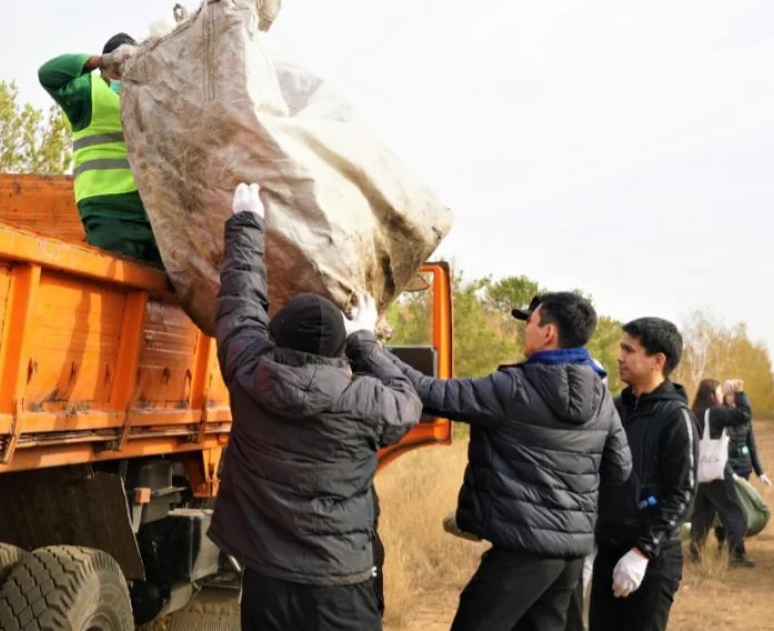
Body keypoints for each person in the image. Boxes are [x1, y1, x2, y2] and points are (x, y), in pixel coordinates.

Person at [207, 183, 423, 631]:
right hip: (341, 586)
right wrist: (364, 341)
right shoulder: (367, 401)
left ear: (276, 335)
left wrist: (247, 222)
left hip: (268, 581)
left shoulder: (251, 373)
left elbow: (239, 306)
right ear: (338, 350)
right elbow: (408, 398)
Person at [388, 293, 632, 631]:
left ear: (548, 333)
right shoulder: (601, 395)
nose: (524, 330)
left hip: (523, 550)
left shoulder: (513, 387)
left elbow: (427, 390)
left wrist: (364, 345)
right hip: (571, 555)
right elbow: (620, 467)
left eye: (530, 322)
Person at [591, 317, 697, 631]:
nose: (620, 357)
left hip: (650, 560)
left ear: (657, 361)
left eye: (629, 350)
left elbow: (683, 493)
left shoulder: (676, 418)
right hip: (607, 550)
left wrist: (643, 550)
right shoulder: (612, 409)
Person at [38, 34, 162, 265]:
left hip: (152, 216)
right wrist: (101, 60)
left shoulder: (149, 99)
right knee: (116, 290)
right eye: (121, 66)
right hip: (110, 212)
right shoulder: (90, 94)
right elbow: (48, 74)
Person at [687, 379, 755, 567]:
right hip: (716, 469)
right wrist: (740, 393)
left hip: (699, 470)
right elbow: (744, 415)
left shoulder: (694, 413)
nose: (720, 395)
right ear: (712, 395)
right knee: (733, 510)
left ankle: (695, 553)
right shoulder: (715, 413)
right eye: (718, 392)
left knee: (701, 513)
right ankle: (737, 554)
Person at [724, 382, 770, 484]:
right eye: (730, 394)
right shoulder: (720, 416)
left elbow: (751, 445)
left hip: (743, 468)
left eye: (735, 394)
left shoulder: (746, 418)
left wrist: (760, 472)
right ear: (724, 396)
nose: (733, 397)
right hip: (726, 469)